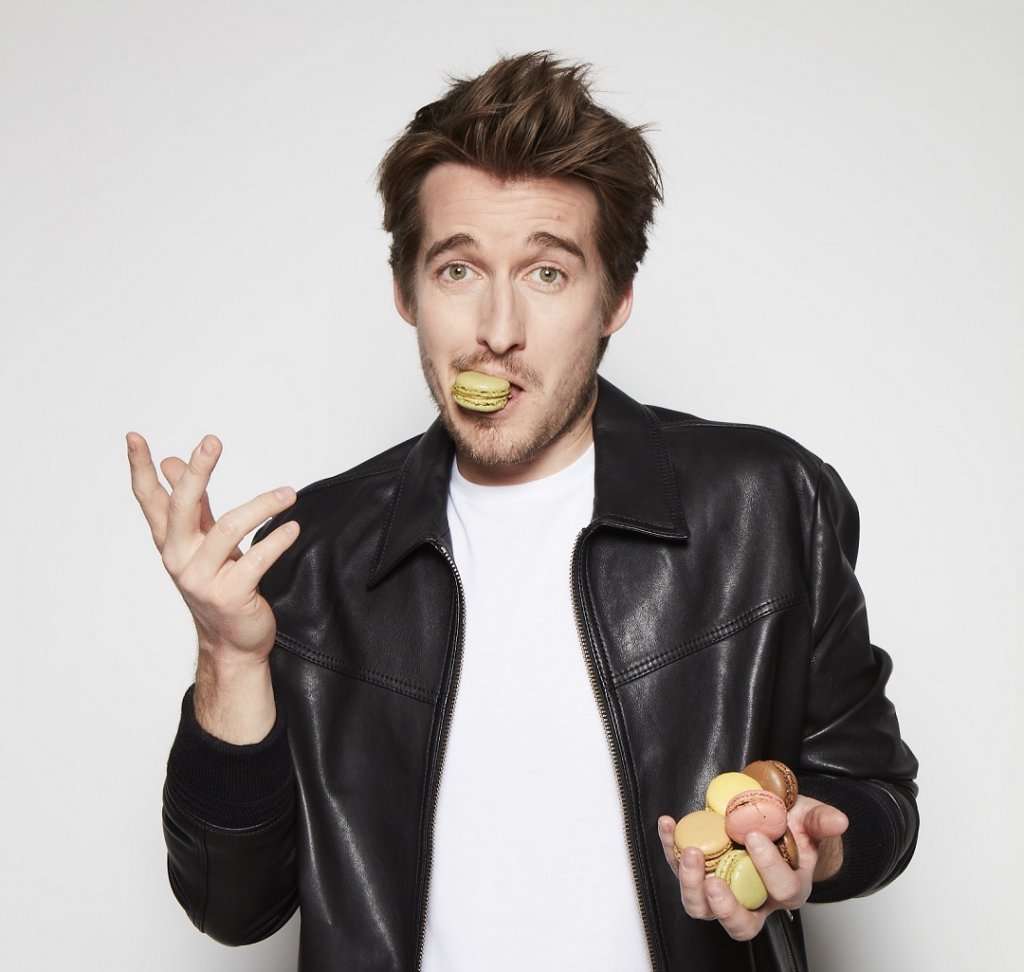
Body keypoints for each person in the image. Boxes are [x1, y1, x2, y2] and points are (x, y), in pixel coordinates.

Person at [127, 52, 918, 971]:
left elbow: (873, 794)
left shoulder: (769, 504)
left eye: (547, 275)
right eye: (458, 270)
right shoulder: (311, 555)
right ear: (406, 294)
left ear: (615, 299)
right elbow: (234, 910)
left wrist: (812, 841)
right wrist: (229, 655)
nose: (497, 330)